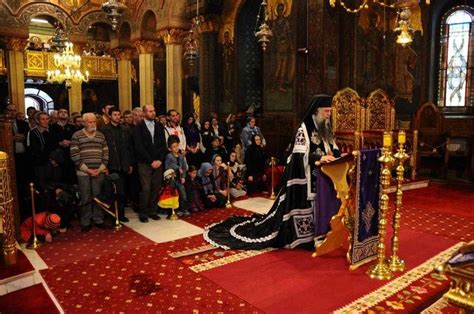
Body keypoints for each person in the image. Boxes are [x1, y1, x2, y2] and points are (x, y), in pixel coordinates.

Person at [204, 94, 341, 250]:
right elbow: (299, 154)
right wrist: (321, 158)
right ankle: (307, 236)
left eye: (330, 111)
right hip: (306, 177)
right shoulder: (304, 128)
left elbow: (333, 147)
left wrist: (337, 156)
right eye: (327, 111)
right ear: (317, 110)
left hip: (324, 176)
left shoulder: (326, 126)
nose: (329, 114)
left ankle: (324, 233)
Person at [70, 113, 109, 233]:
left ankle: (98, 219)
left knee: (97, 196)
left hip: (98, 171)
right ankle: (85, 221)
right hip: (83, 172)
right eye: (90, 122)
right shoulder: (77, 135)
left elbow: (106, 153)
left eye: (94, 122)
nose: (93, 124)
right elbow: (74, 155)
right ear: (84, 122)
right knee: (85, 196)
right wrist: (87, 170)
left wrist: (101, 168)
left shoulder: (101, 135)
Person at [133, 105, 167, 223]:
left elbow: (163, 145)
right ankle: (143, 212)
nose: (153, 113)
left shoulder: (159, 126)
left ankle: (153, 211)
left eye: (154, 111)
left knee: (156, 187)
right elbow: (139, 147)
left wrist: (160, 160)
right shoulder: (139, 127)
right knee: (146, 188)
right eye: (150, 111)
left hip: (158, 162)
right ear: (144, 113)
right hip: (145, 162)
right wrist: (150, 161)